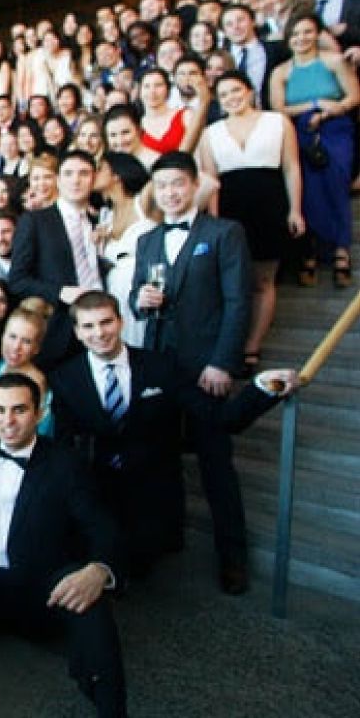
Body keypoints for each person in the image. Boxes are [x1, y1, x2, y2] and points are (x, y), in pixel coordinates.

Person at [0, 372, 127, 718]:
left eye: (19, 411)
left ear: (39, 413)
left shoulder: (65, 463)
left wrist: (100, 569)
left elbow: (102, 526)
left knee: (90, 592)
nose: (7, 422)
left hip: (38, 589)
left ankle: (112, 709)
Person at [51, 292, 301, 575]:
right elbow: (62, 447)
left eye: (106, 322)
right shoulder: (64, 378)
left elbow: (219, 417)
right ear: (77, 332)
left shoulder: (161, 366)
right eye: (88, 326)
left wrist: (263, 387)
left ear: (121, 322)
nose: (99, 333)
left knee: (144, 569)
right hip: (99, 494)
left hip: (153, 496)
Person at [130, 151, 254, 593]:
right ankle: (163, 542)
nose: (170, 193)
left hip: (206, 369)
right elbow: (133, 300)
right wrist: (137, 302)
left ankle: (233, 557)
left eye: (177, 184)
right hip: (160, 367)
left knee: (215, 464)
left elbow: (239, 302)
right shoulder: (146, 241)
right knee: (158, 461)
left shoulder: (225, 233)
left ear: (195, 185)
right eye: (162, 186)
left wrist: (223, 361)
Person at [200, 70, 305, 372]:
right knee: (230, 281)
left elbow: (291, 168)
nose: (231, 98)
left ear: (249, 91)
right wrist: (215, 221)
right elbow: (211, 179)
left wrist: (295, 209)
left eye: (236, 91)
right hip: (231, 207)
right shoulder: (212, 132)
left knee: (263, 280)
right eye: (224, 95)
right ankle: (228, 342)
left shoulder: (277, 122)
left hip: (270, 204)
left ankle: (252, 346)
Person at [270, 12, 359, 288]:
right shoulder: (281, 71)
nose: (301, 39)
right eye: (295, 34)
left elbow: (354, 95)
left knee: (336, 181)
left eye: (307, 32)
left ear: (318, 34)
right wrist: (316, 104)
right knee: (307, 190)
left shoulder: (333, 61)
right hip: (299, 131)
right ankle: (311, 250)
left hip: (336, 128)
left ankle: (341, 249)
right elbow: (279, 108)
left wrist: (334, 109)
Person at [9, 150, 105, 369]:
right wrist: (61, 292)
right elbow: (17, 280)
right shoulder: (35, 220)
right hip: (59, 330)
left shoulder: (98, 219)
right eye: (68, 173)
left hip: (101, 325)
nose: (76, 180)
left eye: (83, 173)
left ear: (94, 178)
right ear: (58, 180)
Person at [94, 152, 156, 348]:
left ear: (116, 175)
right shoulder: (106, 216)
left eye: (100, 168)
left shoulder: (143, 203)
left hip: (141, 285)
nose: (94, 173)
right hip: (113, 289)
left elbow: (167, 168)